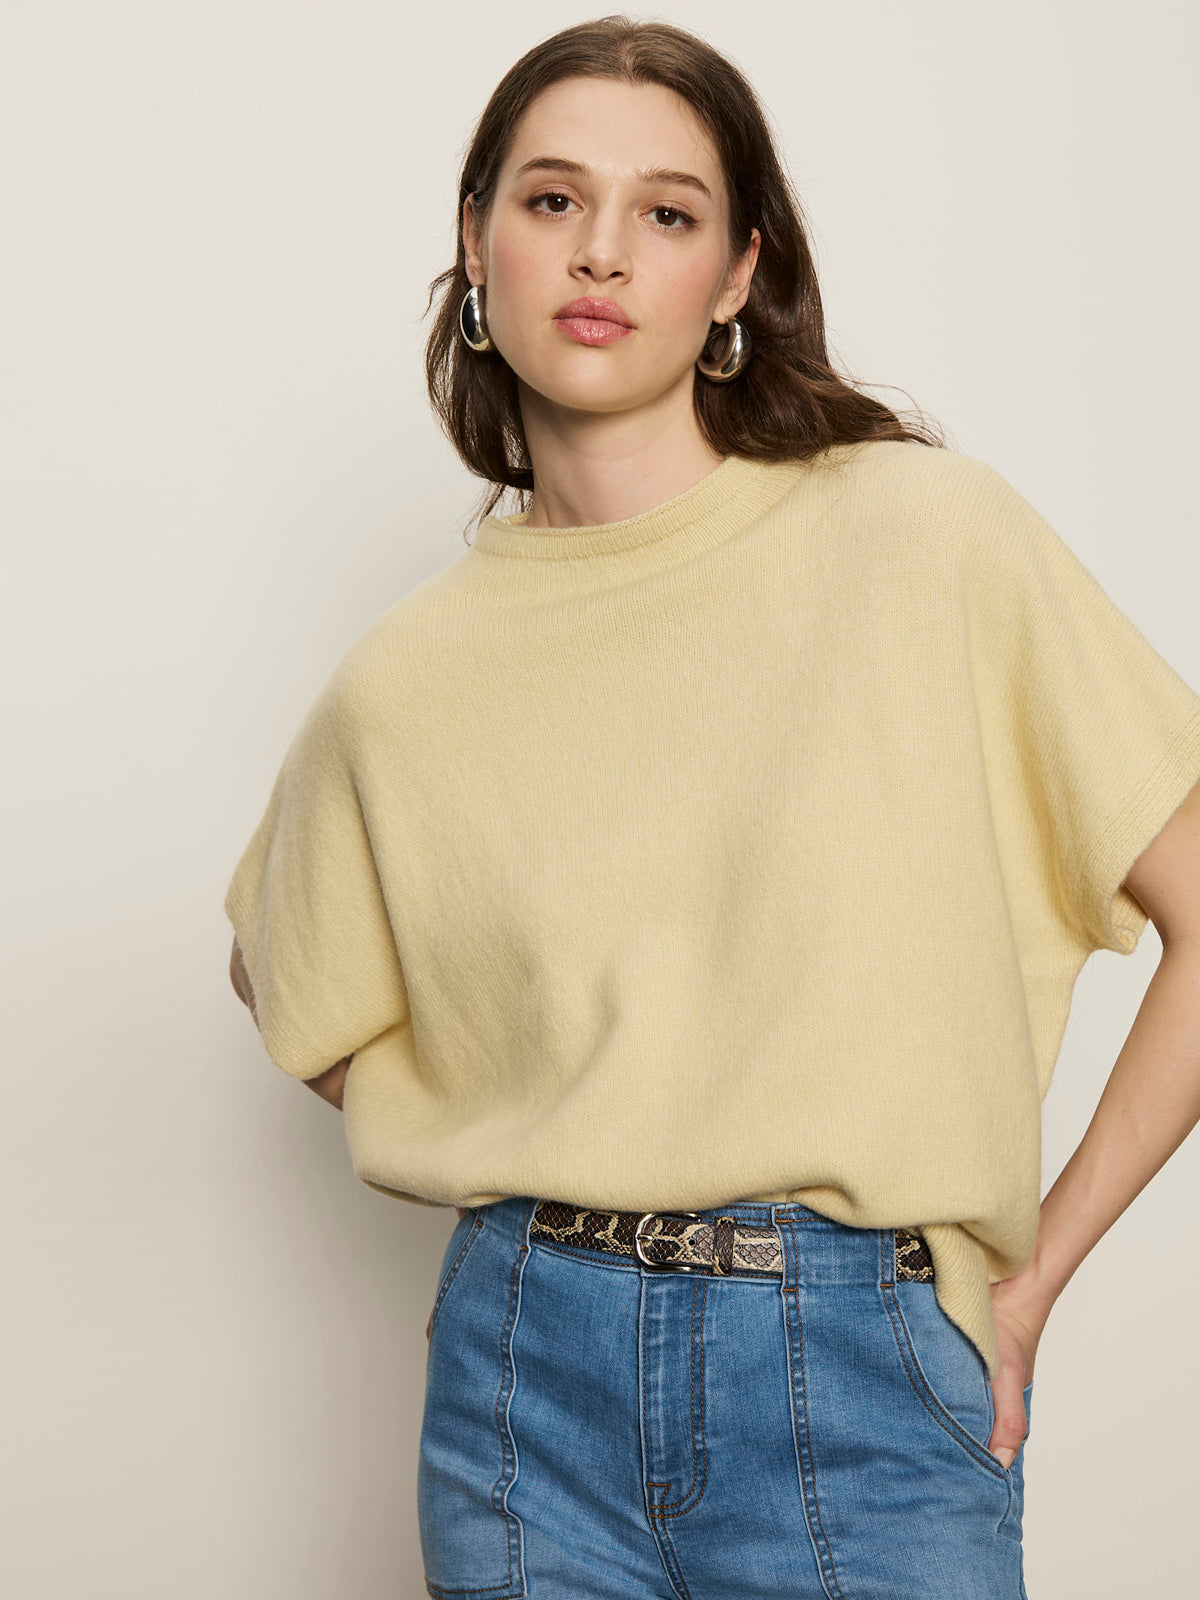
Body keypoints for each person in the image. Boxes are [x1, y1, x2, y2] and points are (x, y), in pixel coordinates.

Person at [224, 16, 1200, 1598]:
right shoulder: (406, 678)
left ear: (737, 273)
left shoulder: (920, 537)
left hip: (857, 1367)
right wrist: (535, 1147)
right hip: (523, 1387)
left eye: (666, 214)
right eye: (551, 202)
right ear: (474, 242)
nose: (602, 252)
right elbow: (286, 976)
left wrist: (1028, 1289)